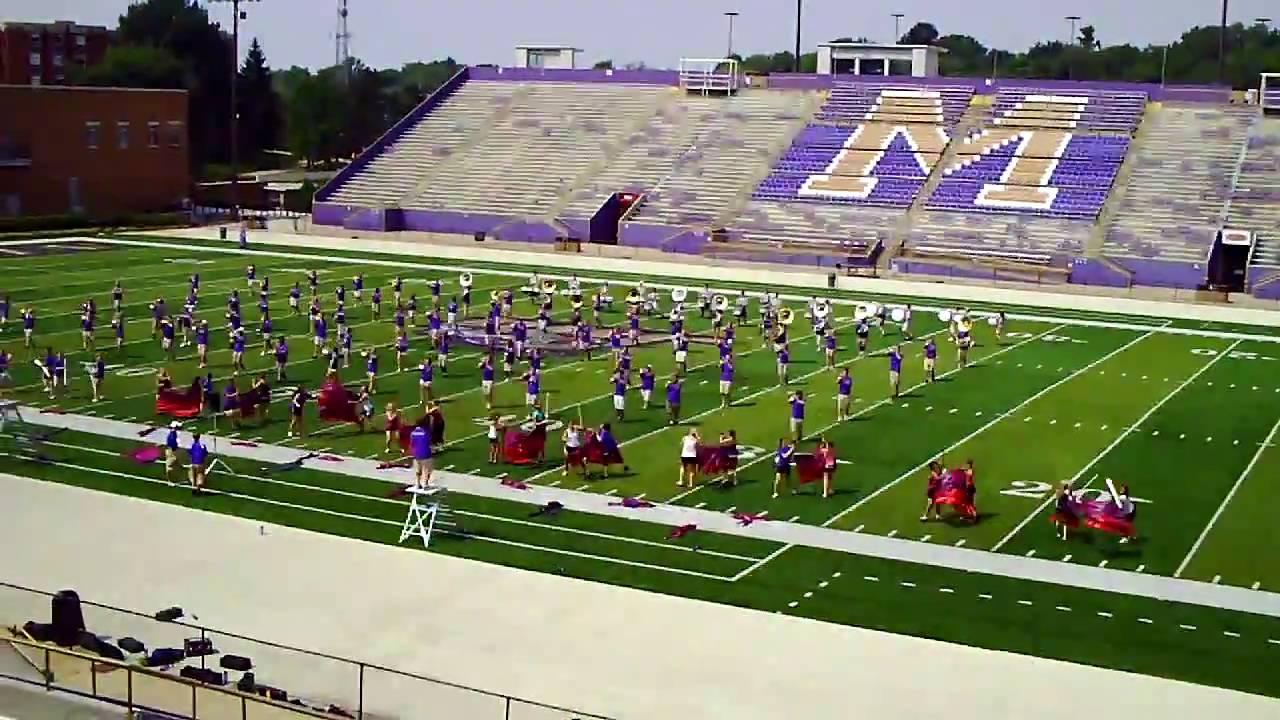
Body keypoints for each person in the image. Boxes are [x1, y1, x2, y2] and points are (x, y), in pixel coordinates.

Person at [409, 422, 433, 488]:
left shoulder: (412, 433)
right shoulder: (426, 432)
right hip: (426, 454)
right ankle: (425, 483)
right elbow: (429, 442)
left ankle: (417, 483)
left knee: (418, 470)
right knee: (426, 469)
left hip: (416, 454)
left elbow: (412, 444)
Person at [188, 430, 210, 496]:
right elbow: (205, 454)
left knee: (193, 475)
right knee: (200, 475)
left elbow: (190, 454)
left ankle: (193, 488)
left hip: (193, 463)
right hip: (200, 463)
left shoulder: (192, 445)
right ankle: (198, 489)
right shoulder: (202, 445)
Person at [163, 421, 182, 486]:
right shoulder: (172, 436)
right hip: (171, 451)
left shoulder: (174, 434)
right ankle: (169, 481)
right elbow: (172, 445)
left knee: (176, 462)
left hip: (172, 451)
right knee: (169, 468)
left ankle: (180, 466)